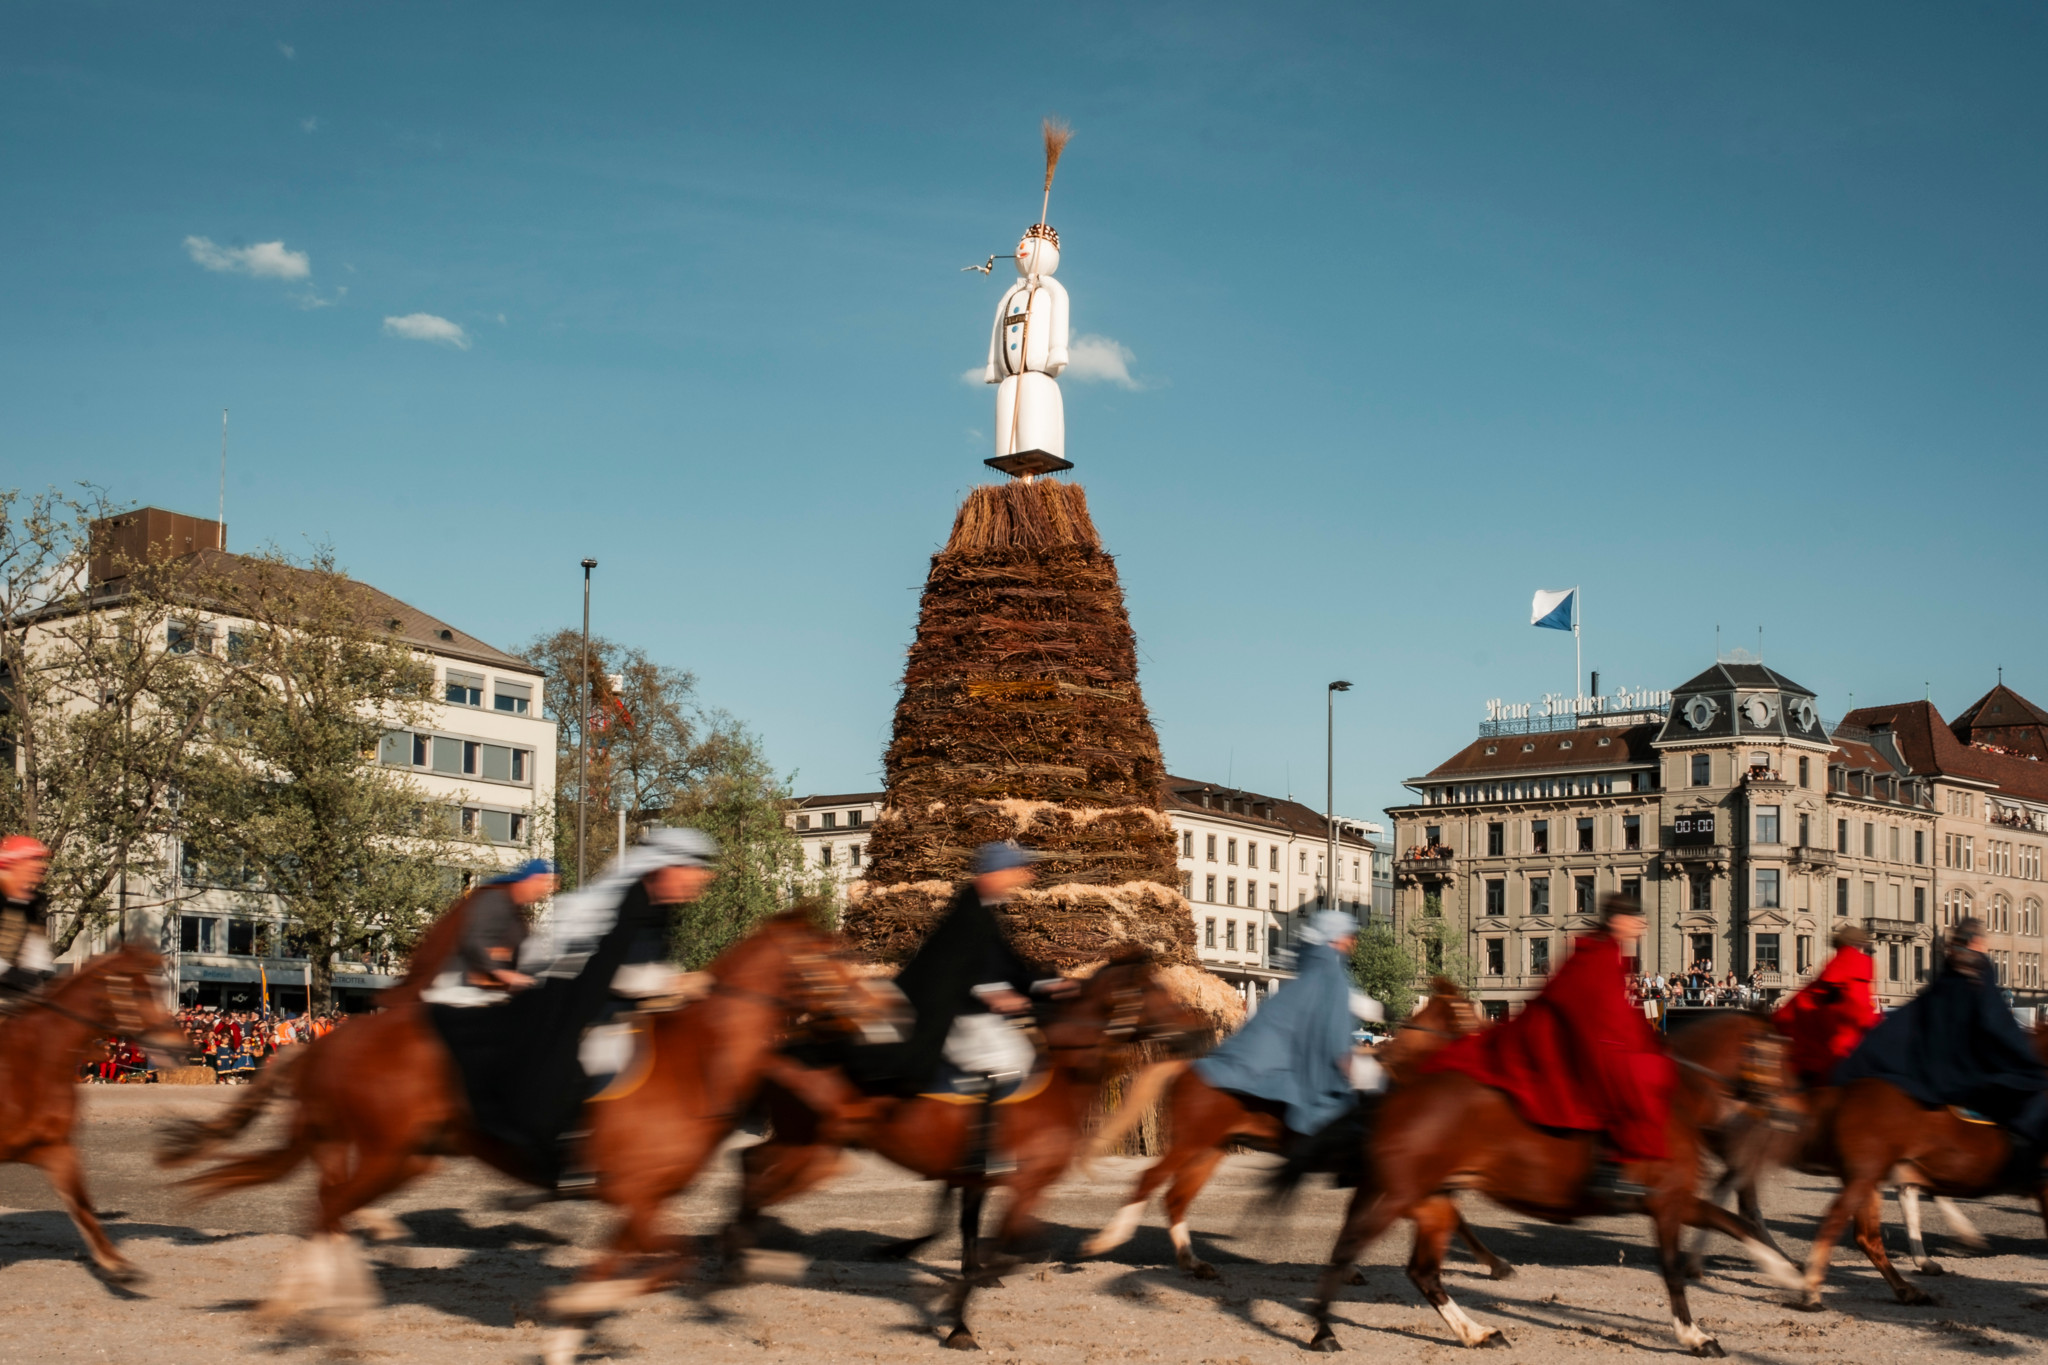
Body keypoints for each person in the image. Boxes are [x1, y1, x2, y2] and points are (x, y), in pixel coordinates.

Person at [429, 827, 720, 1193]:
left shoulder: (660, 907)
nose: (703, 878)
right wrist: (674, 983)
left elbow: (645, 968)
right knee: (603, 1057)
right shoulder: (627, 901)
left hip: (614, 1006)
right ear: (667, 868)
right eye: (696, 869)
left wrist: (677, 986)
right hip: (573, 1005)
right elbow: (606, 972)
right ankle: (572, 1152)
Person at [1425, 893, 1673, 1208]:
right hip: (1562, 1036)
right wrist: (1620, 1042)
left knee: (1644, 1067)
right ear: (1618, 921)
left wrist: (1634, 1039)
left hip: (1588, 1035)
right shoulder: (1596, 954)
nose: (1641, 927)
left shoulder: (1608, 954)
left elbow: (1612, 1011)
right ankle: (1610, 1168)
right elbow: (1583, 1004)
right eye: (1636, 920)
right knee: (1624, 1078)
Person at [1838, 918, 2048, 1162]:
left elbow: (1912, 1017)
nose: (1987, 948)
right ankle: (2030, 1163)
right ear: (1977, 942)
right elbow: (1996, 1022)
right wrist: (2024, 1057)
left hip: (1929, 1069)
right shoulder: (1979, 972)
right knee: (2030, 1094)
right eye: (1984, 942)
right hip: (1964, 1070)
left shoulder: (1946, 974)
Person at [1205, 909, 1383, 1186]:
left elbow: (1345, 1001)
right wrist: (1376, 1015)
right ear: (1337, 938)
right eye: (1350, 936)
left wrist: (1376, 1011)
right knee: (1373, 1087)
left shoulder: (1318, 963)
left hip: (1294, 1045)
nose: (1353, 943)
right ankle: (1349, 1157)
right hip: (1309, 1050)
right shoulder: (1327, 968)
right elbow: (1338, 1010)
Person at [1772, 924, 1880, 1090]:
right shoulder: (1860, 969)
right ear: (1860, 945)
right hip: (1853, 1047)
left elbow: (1802, 1004)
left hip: (1831, 1053)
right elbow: (1861, 1011)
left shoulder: (1838, 967)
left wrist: (1778, 1020)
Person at [458, 858, 557, 991]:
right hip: (465, 989)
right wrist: (500, 972)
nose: (546, 889)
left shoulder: (515, 911)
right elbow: (473, 939)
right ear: (530, 879)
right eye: (543, 882)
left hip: (494, 991)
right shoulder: (493, 899)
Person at [0, 835, 55, 999]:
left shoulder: (32, 901)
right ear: (14, 864)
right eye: (34, 860)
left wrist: (40, 973)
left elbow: (36, 947)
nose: (42, 866)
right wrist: (8, 973)